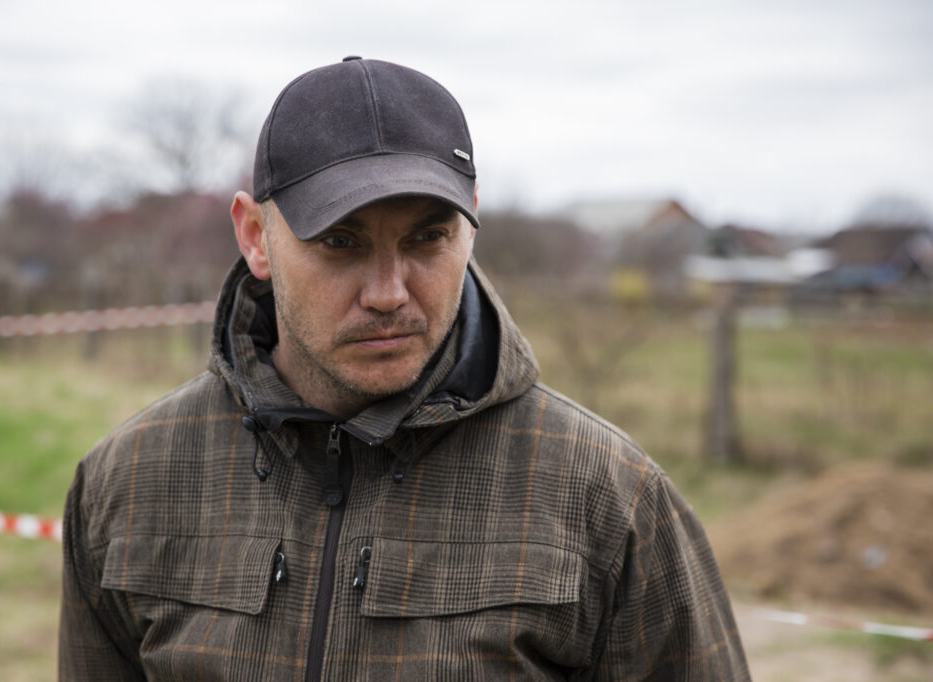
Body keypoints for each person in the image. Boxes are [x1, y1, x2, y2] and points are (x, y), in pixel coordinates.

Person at [59, 56, 750, 681]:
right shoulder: (128, 481)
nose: (388, 293)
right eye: (341, 241)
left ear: (470, 224)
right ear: (255, 237)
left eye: (427, 238)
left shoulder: (607, 496)